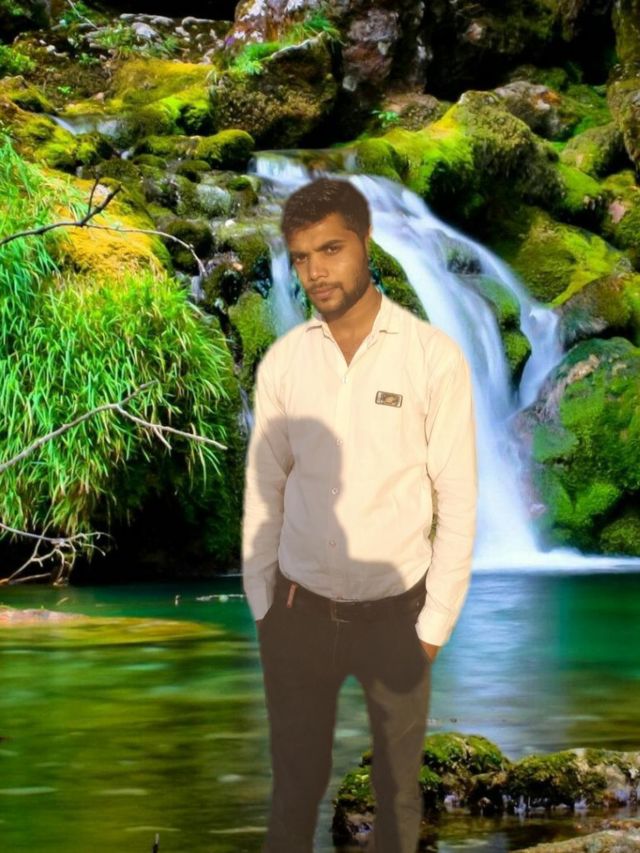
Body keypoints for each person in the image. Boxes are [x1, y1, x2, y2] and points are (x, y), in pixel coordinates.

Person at [242, 176, 478, 852]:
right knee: (293, 793)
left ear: (366, 243)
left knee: (399, 800)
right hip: (298, 612)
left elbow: (458, 497)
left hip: (398, 615)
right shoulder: (285, 363)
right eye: (301, 257)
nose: (315, 272)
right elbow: (265, 489)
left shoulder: (432, 358)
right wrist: (263, 606)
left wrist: (434, 625)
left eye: (331, 249)